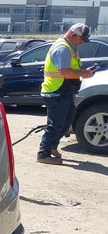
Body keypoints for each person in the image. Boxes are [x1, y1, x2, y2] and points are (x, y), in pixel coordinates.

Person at [37, 23, 97, 165]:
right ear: (73, 35)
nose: (83, 42)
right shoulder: (62, 48)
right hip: (55, 92)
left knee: (66, 121)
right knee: (56, 124)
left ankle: (52, 147)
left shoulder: (70, 47)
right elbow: (65, 72)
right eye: (82, 39)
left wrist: (83, 72)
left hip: (64, 91)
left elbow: (69, 70)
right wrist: (84, 73)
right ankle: (43, 154)